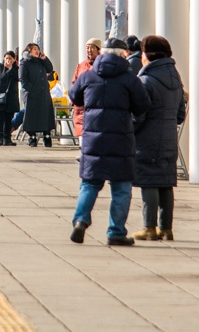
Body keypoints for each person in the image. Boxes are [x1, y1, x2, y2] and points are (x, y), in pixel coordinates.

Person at [68, 38, 151, 246]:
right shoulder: (129, 79)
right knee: (121, 187)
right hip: (121, 140)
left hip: (93, 141)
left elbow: (74, 97)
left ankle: (80, 220)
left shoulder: (87, 76)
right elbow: (142, 105)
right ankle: (115, 232)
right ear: (123, 55)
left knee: (89, 183)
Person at [131, 36, 187, 240]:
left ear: (148, 55)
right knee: (165, 183)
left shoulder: (146, 81)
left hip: (148, 139)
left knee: (149, 182)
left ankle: (149, 227)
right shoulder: (175, 78)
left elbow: (139, 114)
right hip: (169, 138)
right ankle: (166, 227)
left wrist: (129, 128)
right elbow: (181, 114)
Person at [19, 43, 56, 147]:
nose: (36, 51)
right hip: (31, 94)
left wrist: (45, 59)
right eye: (34, 49)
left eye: (37, 49)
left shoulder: (41, 61)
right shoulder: (25, 63)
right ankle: (32, 137)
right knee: (32, 116)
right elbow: (22, 78)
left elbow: (50, 69)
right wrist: (31, 89)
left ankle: (47, 136)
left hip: (43, 93)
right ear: (29, 51)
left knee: (45, 115)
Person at [0, 50, 20, 147]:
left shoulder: (16, 69)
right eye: (6, 58)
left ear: (14, 60)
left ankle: (7, 138)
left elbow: (18, 78)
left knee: (8, 118)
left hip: (11, 97)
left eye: (10, 58)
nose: (8, 60)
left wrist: (10, 69)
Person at [71, 38, 102, 138]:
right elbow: (74, 83)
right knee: (83, 137)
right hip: (81, 107)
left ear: (98, 49)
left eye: (92, 48)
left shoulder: (102, 65)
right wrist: (74, 101)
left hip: (96, 104)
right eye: (87, 48)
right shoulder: (81, 66)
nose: (89, 50)